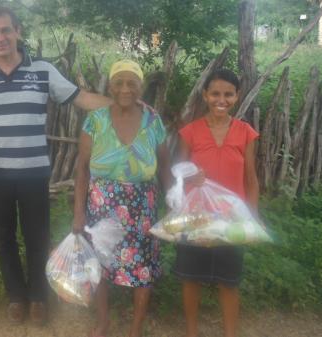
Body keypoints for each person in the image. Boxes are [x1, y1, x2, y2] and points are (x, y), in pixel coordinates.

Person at [0, 7, 112, 325]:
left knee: (36, 236)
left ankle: (38, 298)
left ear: (17, 31)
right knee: (3, 236)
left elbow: (79, 97)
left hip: (33, 172)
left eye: (5, 30)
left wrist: (122, 105)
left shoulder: (42, 70)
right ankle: (16, 295)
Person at [72, 60, 172, 337]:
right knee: (100, 267)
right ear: (110, 86)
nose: (125, 89)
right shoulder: (95, 121)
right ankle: (103, 323)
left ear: (141, 86)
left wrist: (175, 203)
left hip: (143, 208)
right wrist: (79, 212)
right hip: (101, 209)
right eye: (119, 82)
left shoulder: (153, 121)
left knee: (143, 271)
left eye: (132, 83)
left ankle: (135, 330)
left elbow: (164, 167)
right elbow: (81, 170)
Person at [172, 68, 260, 337]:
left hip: (232, 218)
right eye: (215, 94)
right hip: (197, 216)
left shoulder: (246, 133)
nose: (221, 99)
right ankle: (191, 332)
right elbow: (180, 174)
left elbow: (251, 179)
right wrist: (190, 180)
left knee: (229, 282)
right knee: (191, 278)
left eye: (228, 94)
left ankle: (230, 333)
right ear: (205, 95)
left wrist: (251, 219)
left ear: (237, 96)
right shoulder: (190, 132)